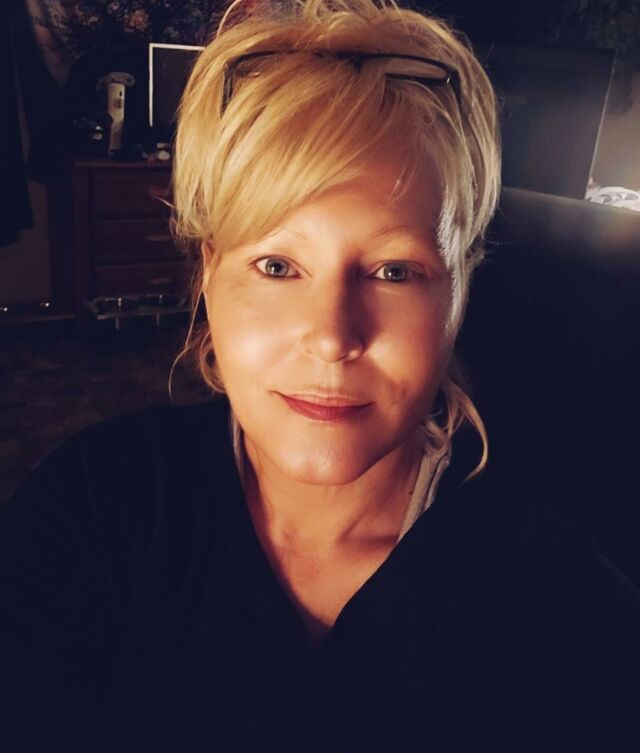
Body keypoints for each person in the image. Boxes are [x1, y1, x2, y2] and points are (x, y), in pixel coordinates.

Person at [1, 1, 639, 751]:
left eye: (394, 271)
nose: (333, 337)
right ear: (208, 274)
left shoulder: (555, 601)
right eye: (277, 266)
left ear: (460, 287)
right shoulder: (90, 511)